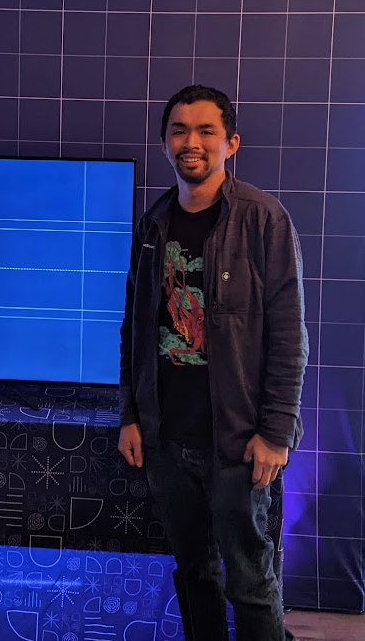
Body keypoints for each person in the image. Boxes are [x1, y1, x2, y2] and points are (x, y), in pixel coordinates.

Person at [118, 85, 308, 641]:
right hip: (166, 439)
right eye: (179, 131)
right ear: (164, 144)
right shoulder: (154, 223)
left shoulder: (264, 220)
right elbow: (134, 329)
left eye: (206, 131)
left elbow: (289, 335)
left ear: (232, 144)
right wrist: (131, 415)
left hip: (238, 443)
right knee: (195, 574)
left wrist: (276, 433)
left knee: (250, 582)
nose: (191, 142)